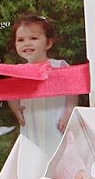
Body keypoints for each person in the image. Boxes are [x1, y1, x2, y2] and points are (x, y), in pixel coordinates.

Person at [6, 14, 76, 152]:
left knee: (57, 146)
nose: (27, 43)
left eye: (33, 38)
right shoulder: (19, 71)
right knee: (33, 148)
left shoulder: (59, 66)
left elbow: (73, 89)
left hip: (55, 116)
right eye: (20, 40)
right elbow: (10, 92)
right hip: (32, 119)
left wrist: (69, 112)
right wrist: (16, 109)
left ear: (48, 43)